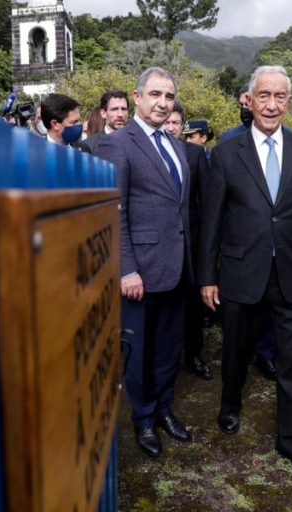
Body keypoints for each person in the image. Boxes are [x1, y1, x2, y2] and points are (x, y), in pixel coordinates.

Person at [198, 65, 292, 480]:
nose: (271, 105)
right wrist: (208, 277)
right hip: (240, 273)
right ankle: (230, 405)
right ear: (249, 100)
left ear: (288, 102)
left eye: (280, 97)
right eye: (264, 96)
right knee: (236, 351)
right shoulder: (224, 154)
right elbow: (212, 222)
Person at [95, 68, 192, 458]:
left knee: (169, 348)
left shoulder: (175, 144)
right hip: (140, 271)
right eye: (155, 94)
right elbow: (112, 211)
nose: (163, 103)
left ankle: (165, 407)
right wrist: (126, 268)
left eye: (169, 96)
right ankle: (144, 419)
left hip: (177, 267)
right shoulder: (118, 143)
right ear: (137, 97)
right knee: (139, 352)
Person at [219, 84, 278, 381]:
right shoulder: (228, 141)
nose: (247, 106)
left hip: (272, 249)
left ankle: (265, 355)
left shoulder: (280, 142)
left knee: (268, 312)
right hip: (240, 248)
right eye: (244, 101)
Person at [165, 100, 212, 381]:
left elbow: (205, 202)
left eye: (175, 123)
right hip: (161, 245)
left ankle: (194, 355)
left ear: (182, 127)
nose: (171, 127)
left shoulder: (194, 154)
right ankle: (168, 358)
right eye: (167, 121)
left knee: (193, 305)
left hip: (192, 242)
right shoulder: (151, 152)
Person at [78, 89, 129, 154]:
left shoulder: (138, 142)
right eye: (114, 109)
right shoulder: (88, 146)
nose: (120, 114)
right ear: (103, 113)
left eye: (124, 109)